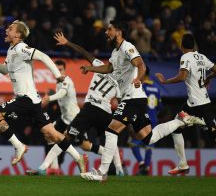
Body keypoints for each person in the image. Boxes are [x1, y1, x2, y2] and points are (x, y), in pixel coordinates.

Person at [79, 20, 205, 182]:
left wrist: (138, 78)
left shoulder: (127, 46)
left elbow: (141, 65)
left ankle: (101, 173)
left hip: (133, 97)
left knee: (111, 130)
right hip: (134, 99)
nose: (106, 32)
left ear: (118, 32)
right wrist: (90, 69)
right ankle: (180, 121)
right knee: (148, 138)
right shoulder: (116, 52)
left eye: (109, 29)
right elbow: (108, 69)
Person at [0, 20, 87, 173]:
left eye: (10, 29)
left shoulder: (21, 48)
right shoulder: (12, 50)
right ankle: (78, 157)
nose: (6, 31)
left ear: (18, 34)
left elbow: (43, 56)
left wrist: (58, 75)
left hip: (25, 99)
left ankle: (19, 146)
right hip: (33, 101)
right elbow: (5, 70)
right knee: (52, 134)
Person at [27, 32, 124, 176]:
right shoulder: (120, 82)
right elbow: (121, 101)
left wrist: (67, 43)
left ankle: (43, 168)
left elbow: (84, 52)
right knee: (111, 136)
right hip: (104, 111)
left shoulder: (98, 65)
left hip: (89, 109)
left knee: (69, 140)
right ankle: (120, 170)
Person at [155, 33, 216, 175]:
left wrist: (165, 81)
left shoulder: (185, 57)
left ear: (182, 46)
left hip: (196, 103)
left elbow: (182, 76)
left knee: (212, 134)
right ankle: (183, 164)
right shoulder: (201, 57)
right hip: (201, 101)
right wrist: (208, 78)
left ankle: (204, 124)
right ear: (193, 45)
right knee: (177, 127)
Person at [41, 59, 81, 174]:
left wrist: (49, 98)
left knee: (86, 145)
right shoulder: (57, 82)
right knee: (49, 134)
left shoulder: (66, 81)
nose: (59, 72)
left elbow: (62, 94)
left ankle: (114, 159)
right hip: (64, 119)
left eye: (61, 70)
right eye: (56, 70)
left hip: (74, 118)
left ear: (65, 70)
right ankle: (55, 168)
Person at [128, 66, 162, 175]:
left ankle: (141, 163)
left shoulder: (141, 86)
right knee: (149, 145)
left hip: (143, 118)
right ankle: (146, 168)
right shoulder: (157, 87)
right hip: (154, 119)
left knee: (133, 143)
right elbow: (159, 106)